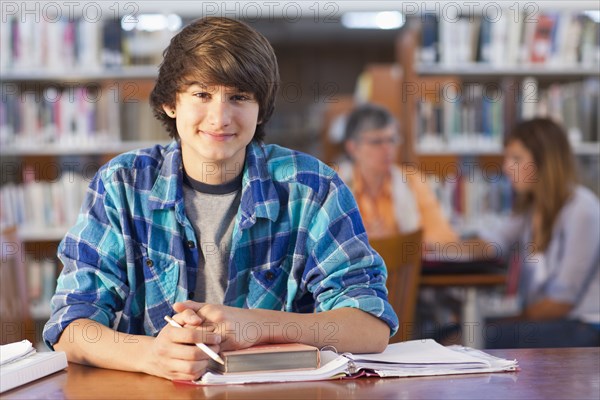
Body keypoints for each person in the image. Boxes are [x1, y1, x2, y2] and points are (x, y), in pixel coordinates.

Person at [42, 17, 398, 381]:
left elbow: (371, 326)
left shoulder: (313, 187)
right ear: (170, 103)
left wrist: (259, 325)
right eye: (201, 94)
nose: (220, 116)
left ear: (261, 108)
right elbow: (70, 327)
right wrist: (151, 355)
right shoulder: (121, 184)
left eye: (239, 97)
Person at [480, 118, 600, 348]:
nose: (506, 167)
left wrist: (507, 322)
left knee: (473, 337)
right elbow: (494, 241)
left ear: (544, 161)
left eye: (516, 159)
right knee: (452, 331)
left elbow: (561, 302)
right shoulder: (531, 208)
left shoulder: (582, 209)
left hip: (582, 325)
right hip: (549, 321)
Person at [338, 103, 458, 244]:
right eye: (377, 142)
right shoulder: (333, 184)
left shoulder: (413, 181)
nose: (388, 149)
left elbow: (444, 239)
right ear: (352, 147)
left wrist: (394, 243)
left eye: (392, 140)